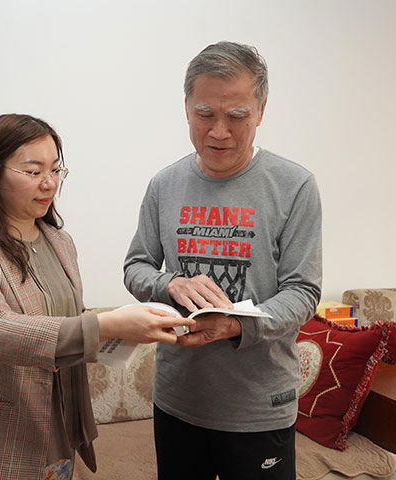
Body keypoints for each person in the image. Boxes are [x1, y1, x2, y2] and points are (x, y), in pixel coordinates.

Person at [0, 113, 192, 480]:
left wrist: (134, 326)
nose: (49, 183)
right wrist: (106, 325)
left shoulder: (60, 242)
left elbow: (67, 319)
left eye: (56, 170)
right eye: (33, 171)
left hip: (59, 424)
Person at [123, 41, 322, 479]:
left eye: (236, 116)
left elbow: (303, 291)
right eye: (205, 114)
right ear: (186, 107)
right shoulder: (165, 184)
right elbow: (136, 267)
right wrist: (171, 283)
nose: (218, 132)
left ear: (261, 110)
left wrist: (236, 325)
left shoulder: (295, 186)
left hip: (258, 406)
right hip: (179, 399)